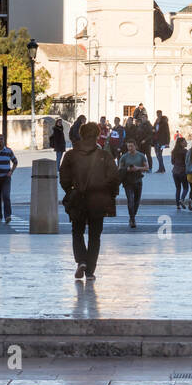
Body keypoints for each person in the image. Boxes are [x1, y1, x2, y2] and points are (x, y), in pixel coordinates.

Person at [59, 120, 120, 281]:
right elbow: (114, 178)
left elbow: (64, 178)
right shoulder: (104, 156)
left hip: (78, 198)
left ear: (81, 135)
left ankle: (81, 261)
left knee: (77, 232)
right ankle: (90, 270)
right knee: (95, 235)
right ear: (97, 136)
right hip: (98, 200)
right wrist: (110, 194)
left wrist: (70, 190)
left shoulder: (70, 155)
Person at [118, 137, 148, 227]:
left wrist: (137, 168)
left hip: (138, 180)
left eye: (131, 146)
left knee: (136, 201)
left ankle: (132, 217)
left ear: (135, 146)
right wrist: (127, 169)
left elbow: (147, 167)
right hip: (127, 181)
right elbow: (119, 169)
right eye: (128, 146)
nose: (130, 148)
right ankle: (132, 219)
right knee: (130, 200)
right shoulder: (124, 157)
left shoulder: (141, 155)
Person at [0, 133, 18, 223]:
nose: (0, 141)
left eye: (2, 139)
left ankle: (7, 216)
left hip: (6, 177)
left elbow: (15, 162)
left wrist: (11, 171)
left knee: (6, 196)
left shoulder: (8, 151)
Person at [170, 136, 189, 210]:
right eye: (185, 142)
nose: (186, 143)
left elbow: (172, 162)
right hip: (183, 171)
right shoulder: (185, 151)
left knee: (178, 188)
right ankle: (182, 199)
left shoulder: (173, 151)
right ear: (181, 143)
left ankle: (177, 205)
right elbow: (187, 162)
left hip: (175, 172)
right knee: (186, 188)